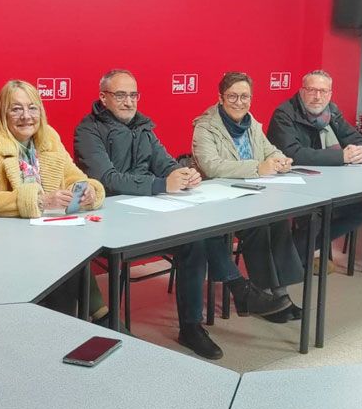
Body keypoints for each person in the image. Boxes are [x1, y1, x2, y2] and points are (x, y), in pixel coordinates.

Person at [74, 69, 288, 359]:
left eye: (133, 95)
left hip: (148, 210)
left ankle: (191, 327)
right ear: (103, 97)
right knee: (195, 235)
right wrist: (161, 184)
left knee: (196, 235)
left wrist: (182, 173)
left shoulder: (143, 127)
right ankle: (240, 289)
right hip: (111, 217)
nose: (128, 102)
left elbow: (164, 163)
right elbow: (106, 177)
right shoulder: (87, 130)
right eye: (120, 95)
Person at [0, 79, 107, 318]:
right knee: (60, 258)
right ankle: (91, 319)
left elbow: (74, 176)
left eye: (32, 107)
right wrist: (40, 201)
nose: (26, 116)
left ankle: (95, 318)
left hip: (42, 236)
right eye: (16, 109)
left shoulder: (48, 138)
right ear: (1, 113)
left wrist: (87, 189)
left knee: (72, 251)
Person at [192, 71, 305, 324]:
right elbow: (211, 166)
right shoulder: (205, 126)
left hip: (251, 194)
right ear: (220, 97)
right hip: (219, 201)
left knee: (277, 220)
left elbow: (269, 149)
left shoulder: (251, 122)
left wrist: (279, 158)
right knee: (258, 226)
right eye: (232, 96)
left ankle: (280, 294)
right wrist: (257, 168)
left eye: (245, 96)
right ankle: (265, 297)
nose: (239, 102)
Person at [268, 70, 362, 275]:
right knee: (315, 216)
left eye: (323, 92)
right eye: (312, 90)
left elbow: (359, 140)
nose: (318, 97)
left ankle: (301, 253)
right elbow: (293, 153)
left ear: (330, 94)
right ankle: (288, 264)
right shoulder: (284, 114)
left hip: (328, 183)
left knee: (360, 212)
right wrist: (340, 157)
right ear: (301, 91)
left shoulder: (331, 112)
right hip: (292, 184)